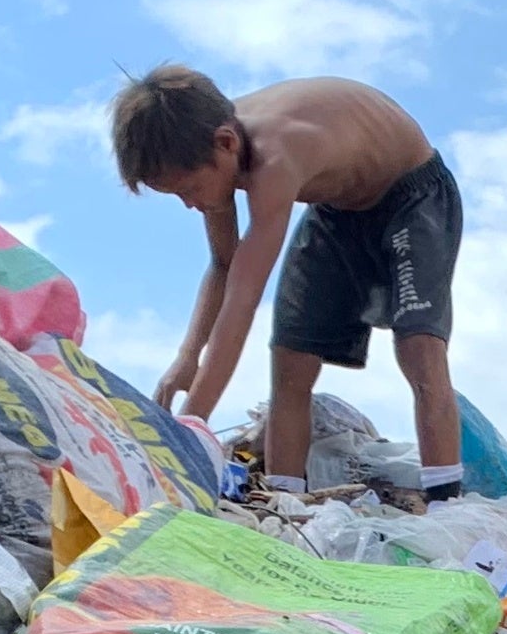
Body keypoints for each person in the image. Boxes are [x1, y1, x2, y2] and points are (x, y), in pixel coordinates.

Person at [111, 67, 465, 503]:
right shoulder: (208, 149)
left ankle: (447, 498)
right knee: (290, 356)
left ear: (226, 144)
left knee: (419, 348)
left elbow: (243, 300)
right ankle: (286, 502)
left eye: (190, 189)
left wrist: (189, 431)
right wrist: (186, 360)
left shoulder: (275, 157)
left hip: (411, 196)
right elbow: (224, 264)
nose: (190, 204)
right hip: (338, 209)